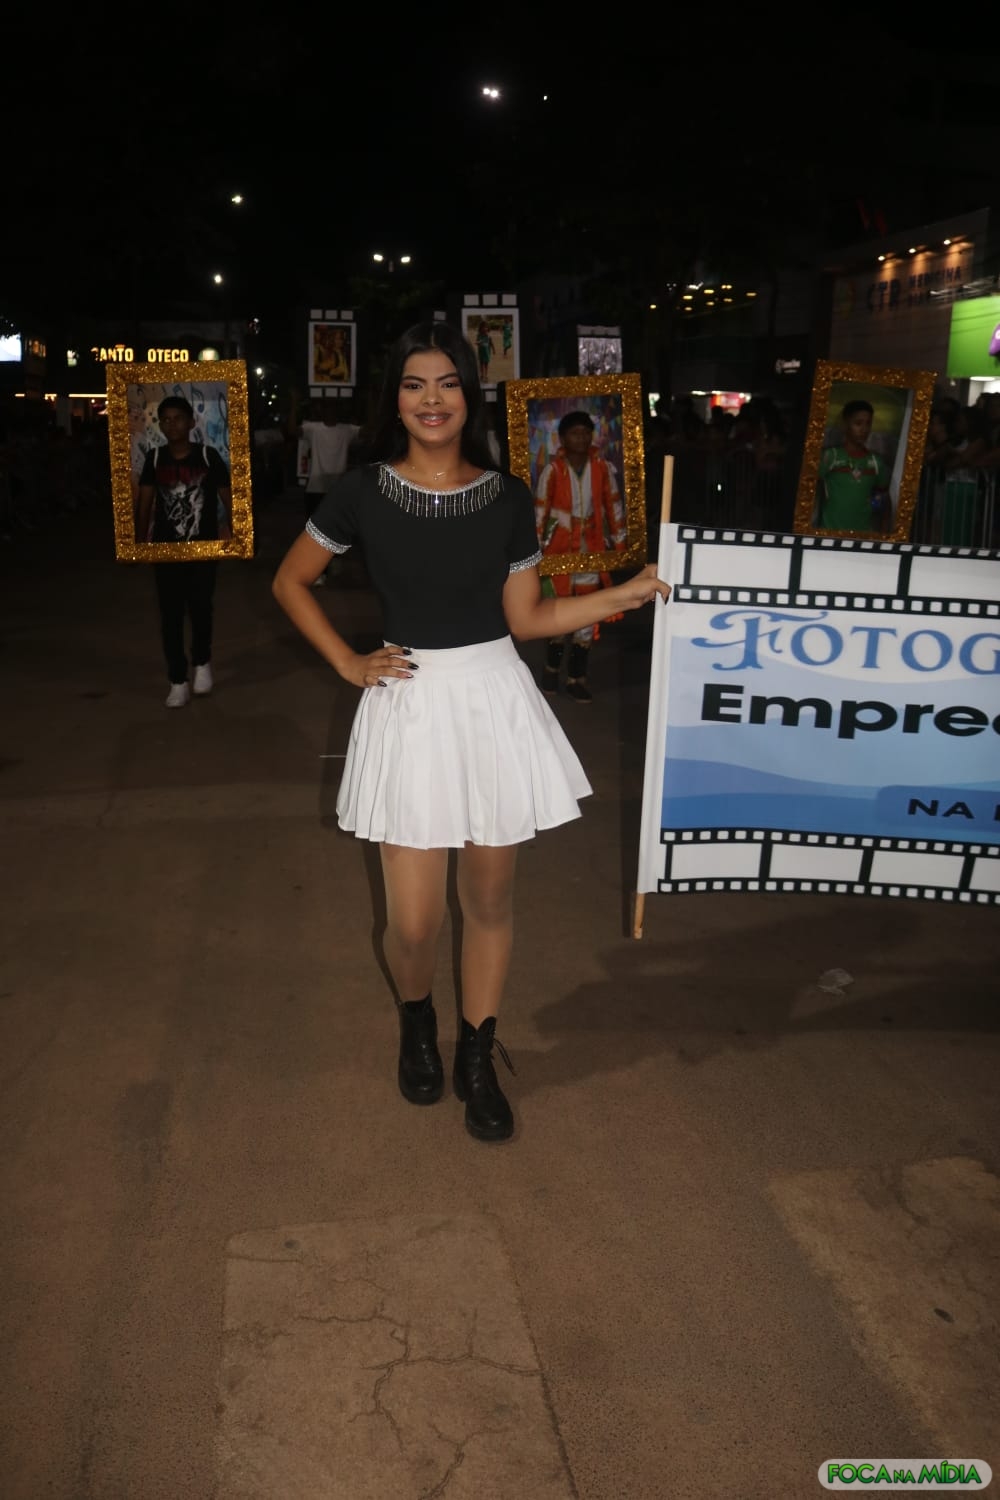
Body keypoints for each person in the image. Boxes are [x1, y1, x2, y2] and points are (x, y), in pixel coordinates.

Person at [270, 321, 669, 1144]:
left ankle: (478, 1056)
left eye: (447, 383)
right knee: (414, 922)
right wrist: (348, 662)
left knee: (488, 901)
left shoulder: (509, 496)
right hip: (411, 703)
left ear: (468, 396)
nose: (432, 400)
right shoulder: (362, 491)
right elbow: (291, 580)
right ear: (395, 401)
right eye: (415, 385)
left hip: (493, 701)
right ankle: (417, 1018)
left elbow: (528, 618)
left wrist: (623, 594)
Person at [135, 395, 232, 709]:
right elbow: (145, 503)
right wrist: (137, 543)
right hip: (167, 551)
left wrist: (240, 534)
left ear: (191, 422)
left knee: (201, 607)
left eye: (177, 418)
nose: (171, 424)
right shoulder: (154, 459)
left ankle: (202, 662)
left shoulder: (207, 456)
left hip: (203, 548)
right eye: (165, 419)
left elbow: (228, 497)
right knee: (170, 614)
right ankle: (177, 679)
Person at [533, 410, 628, 702]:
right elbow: (540, 511)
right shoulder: (553, 471)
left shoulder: (602, 468)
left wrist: (620, 546)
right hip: (558, 552)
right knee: (557, 614)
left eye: (586, 433)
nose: (581, 438)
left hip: (592, 550)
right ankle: (551, 671)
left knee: (587, 614)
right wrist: (536, 552)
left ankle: (577, 677)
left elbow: (613, 505)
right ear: (562, 438)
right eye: (575, 433)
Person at [288, 394, 361, 585]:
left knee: (336, 530)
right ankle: (319, 570)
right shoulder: (313, 428)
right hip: (316, 487)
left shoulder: (346, 430)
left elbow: (369, 433)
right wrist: (293, 404)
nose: (330, 411)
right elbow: (291, 431)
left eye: (333, 407)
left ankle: (330, 561)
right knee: (315, 533)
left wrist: (372, 400)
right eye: (327, 407)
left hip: (337, 489)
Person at [815, 398, 892, 532]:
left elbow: (884, 499)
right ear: (845, 425)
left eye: (868, 424)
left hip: (861, 537)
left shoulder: (876, 462)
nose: (864, 429)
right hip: (829, 534)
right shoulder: (831, 457)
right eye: (858, 423)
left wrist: (884, 535)